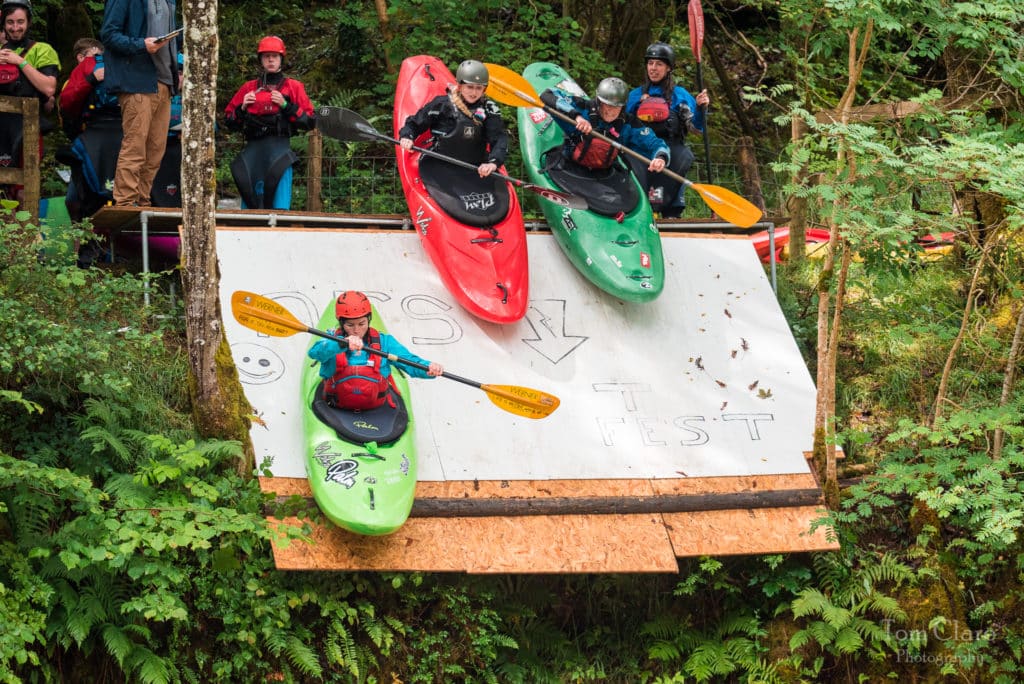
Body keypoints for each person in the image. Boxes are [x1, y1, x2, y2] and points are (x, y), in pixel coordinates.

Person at [99, 0, 179, 207]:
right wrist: (140, 45)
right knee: (135, 146)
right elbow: (108, 34)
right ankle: (125, 203)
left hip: (165, 82)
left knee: (155, 150)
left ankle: (143, 200)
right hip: (136, 81)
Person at [308, 291, 443, 412]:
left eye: (362, 324)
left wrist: (428, 368)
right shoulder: (331, 339)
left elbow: (410, 363)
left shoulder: (385, 342)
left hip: (376, 408)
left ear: (369, 320)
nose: (356, 330)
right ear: (341, 323)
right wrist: (341, 343)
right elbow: (314, 353)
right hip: (335, 407)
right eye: (350, 325)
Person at [224, 36, 314, 210]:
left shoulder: (293, 87)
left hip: (279, 153)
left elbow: (309, 122)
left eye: (275, 56)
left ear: (281, 59)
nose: (271, 60)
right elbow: (229, 122)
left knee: (279, 211)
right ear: (261, 60)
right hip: (253, 155)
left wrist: (286, 105)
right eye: (266, 56)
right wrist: (242, 108)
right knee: (250, 211)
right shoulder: (249, 88)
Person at [625, 42, 710, 218]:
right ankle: (638, 212)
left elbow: (696, 128)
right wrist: (639, 105)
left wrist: (701, 108)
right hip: (642, 150)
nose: (653, 68)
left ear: (669, 68)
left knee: (683, 156)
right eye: (650, 63)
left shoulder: (680, 95)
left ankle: (671, 211)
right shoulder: (635, 95)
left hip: (672, 148)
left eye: (659, 64)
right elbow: (622, 125)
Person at [397, 59, 508, 178]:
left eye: (478, 88)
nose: (474, 93)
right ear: (460, 86)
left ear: (484, 89)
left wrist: (493, 163)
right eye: (469, 87)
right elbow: (413, 124)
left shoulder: (489, 109)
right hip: (440, 164)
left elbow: (499, 139)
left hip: (474, 167)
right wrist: (407, 136)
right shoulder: (442, 104)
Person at [540, 76, 669, 176]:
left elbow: (656, 144)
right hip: (570, 166)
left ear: (623, 106)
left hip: (604, 174)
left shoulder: (629, 124)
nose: (610, 111)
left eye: (616, 107)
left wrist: (660, 158)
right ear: (598, 101)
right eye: (606, 105)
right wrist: (577, 117)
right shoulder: (583, 108)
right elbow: (547, 95)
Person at [0, 0, 60, 204]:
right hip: (1, 128)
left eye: (20, 22)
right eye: (10, 22)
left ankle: (26, 234)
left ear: (29, 22)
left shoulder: (42, 49)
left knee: (23, 188)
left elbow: (49, 87)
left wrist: (20, 62)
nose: (15, 28)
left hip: (27, 128)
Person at [57, 38, 123, 222]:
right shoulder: (126, 63)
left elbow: (67, 106)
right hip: (114, 134)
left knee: (79, 197)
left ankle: (87, 244)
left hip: (93, 137)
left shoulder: (86, 68)